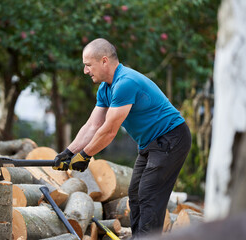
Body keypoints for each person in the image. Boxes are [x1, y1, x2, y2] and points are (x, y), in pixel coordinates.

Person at [52, 38, 191, 238]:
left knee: (149, 195)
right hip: (151, 143)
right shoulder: (106, 89)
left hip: (171, 138)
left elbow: (109, 130)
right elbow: (92, 125)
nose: (85, 71)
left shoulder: (125, 83)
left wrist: (85, 155)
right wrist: (69, 152)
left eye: (88, 65)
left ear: (104, 61)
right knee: (135, 194)